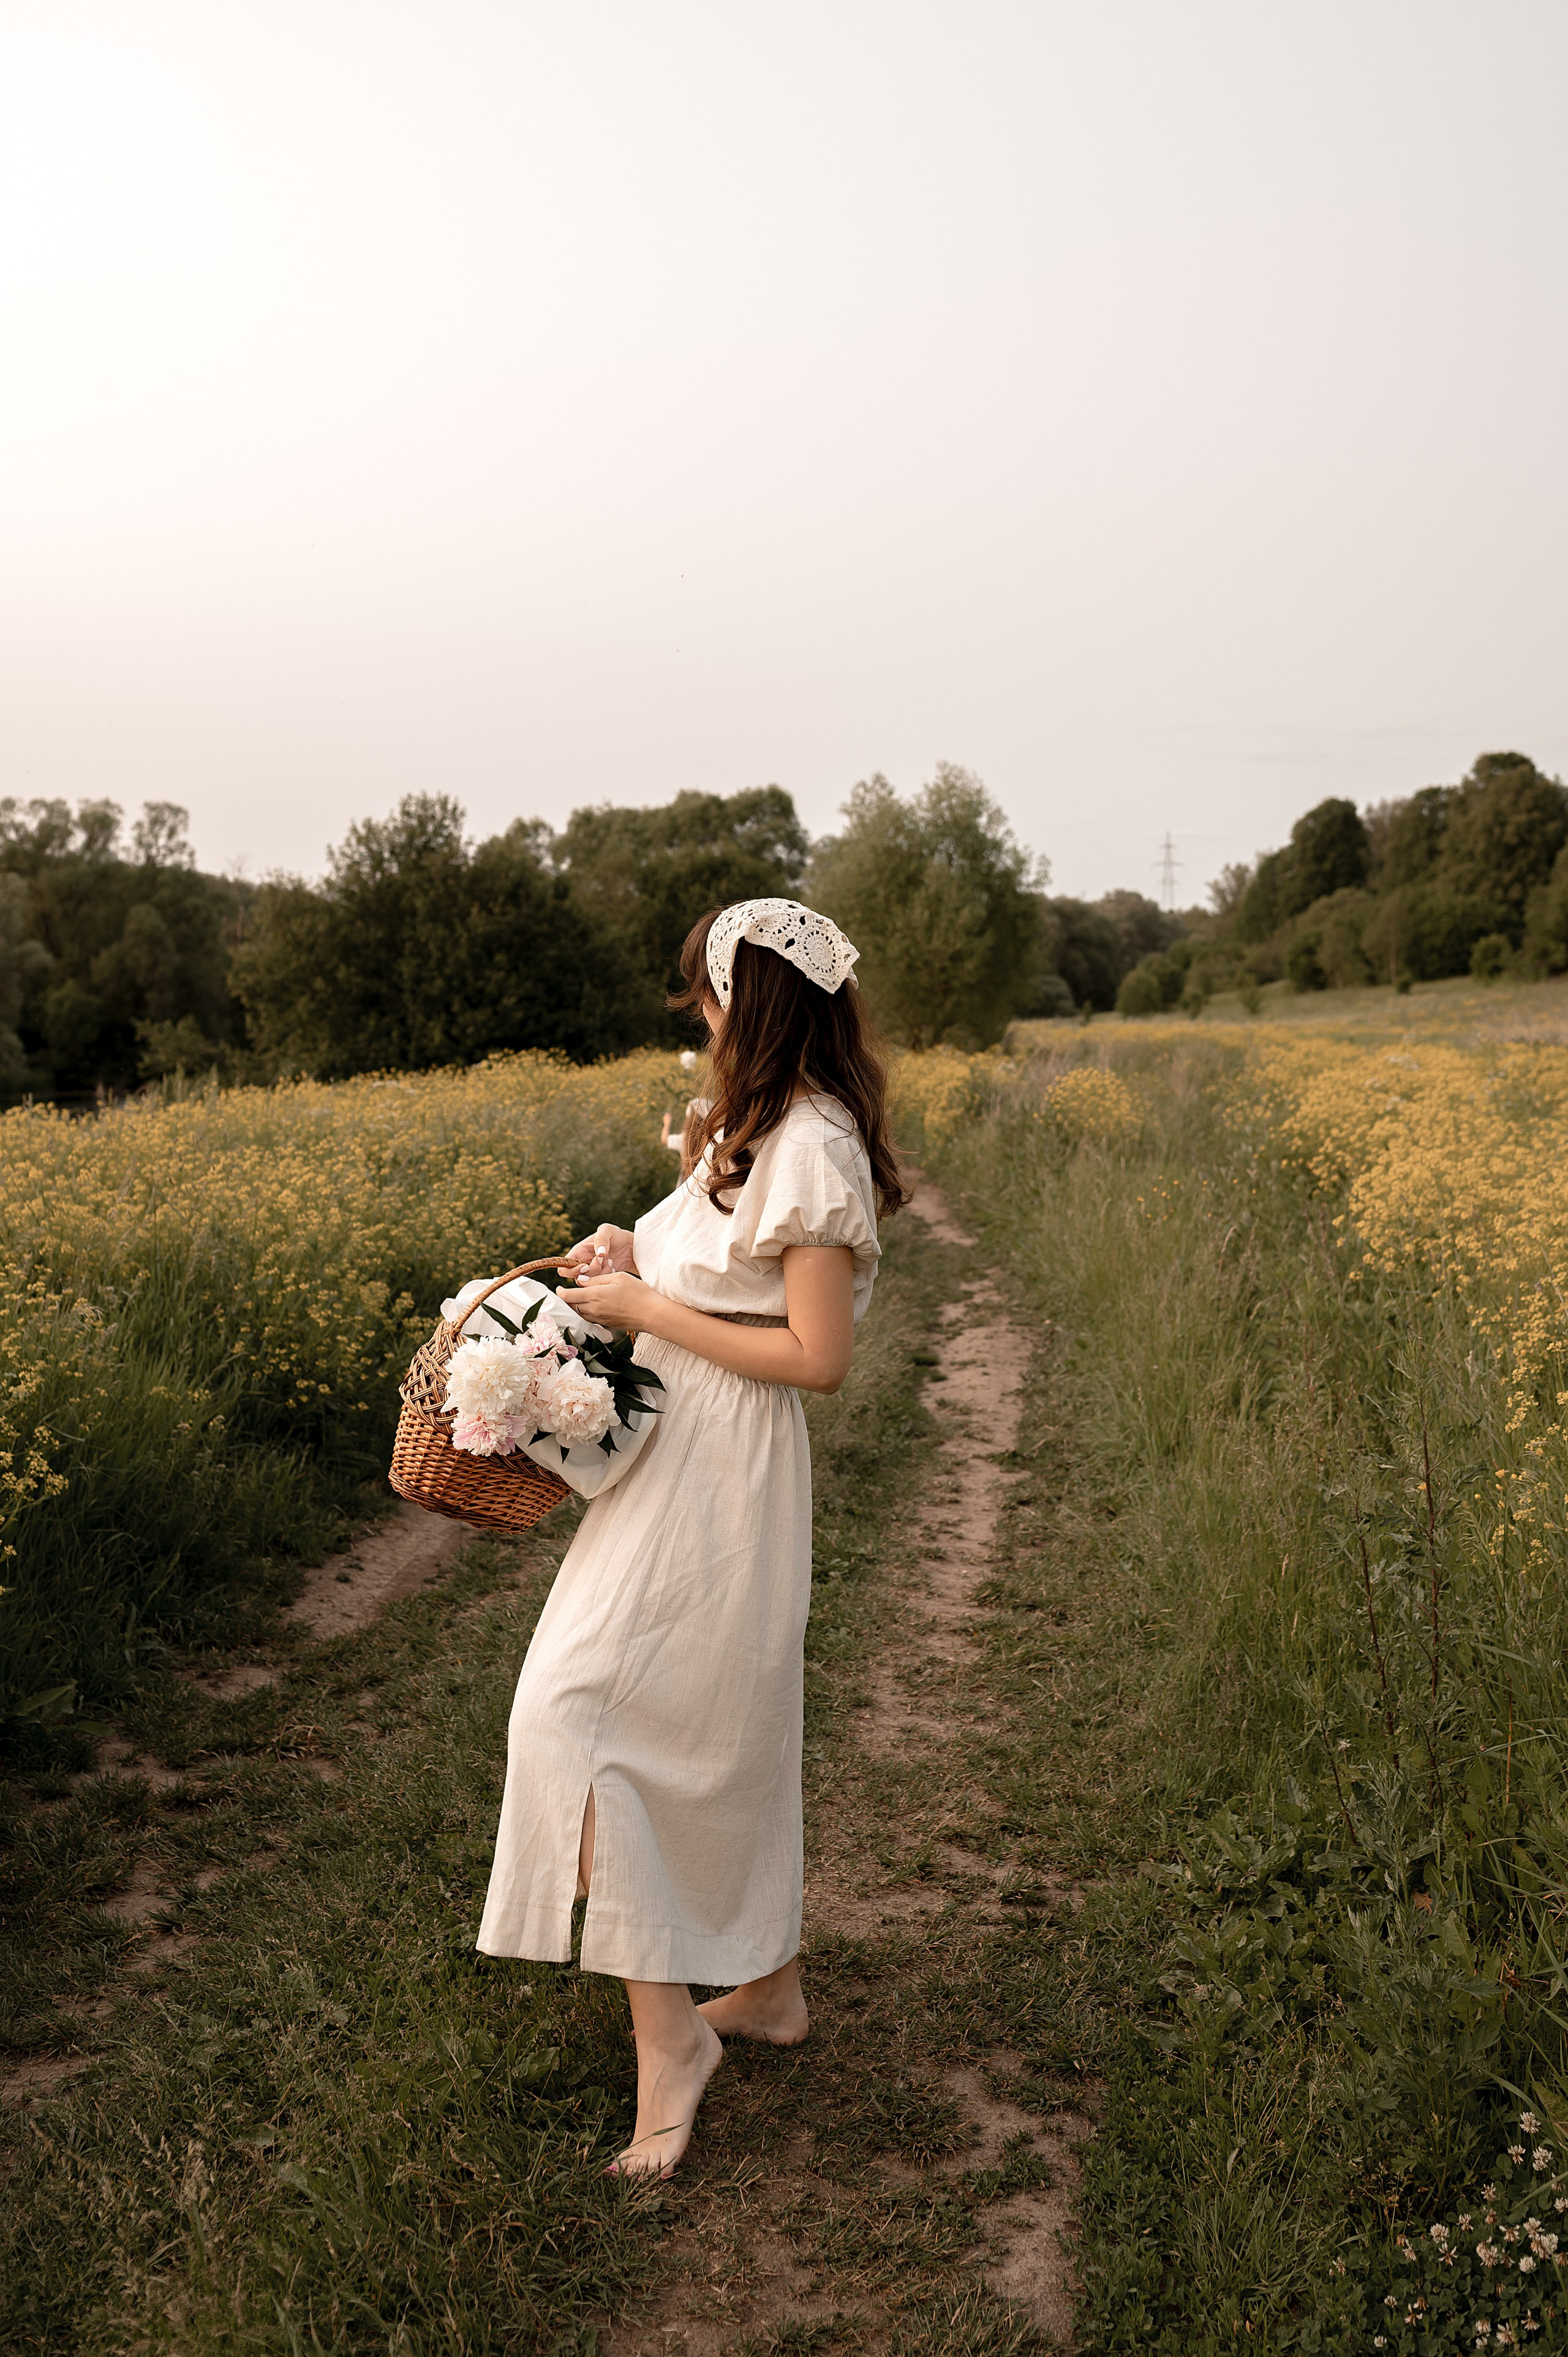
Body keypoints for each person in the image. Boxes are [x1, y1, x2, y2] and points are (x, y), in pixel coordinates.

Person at [476, 897, 908, 2177]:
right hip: (671, 1457)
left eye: (709, 999)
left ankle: (675, 2041)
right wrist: (629, 1254)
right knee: (709, 1720)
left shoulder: (813, 1148)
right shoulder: (748, 1126)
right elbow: (705, 1268)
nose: (700, 1021)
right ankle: (766, 1987)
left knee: (578, 1706)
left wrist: (647, 1302)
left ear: (749, 1004)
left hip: (728, 1468)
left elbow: (815, 1357)